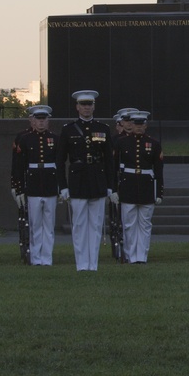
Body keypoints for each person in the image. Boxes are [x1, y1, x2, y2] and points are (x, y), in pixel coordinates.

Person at [55, 89, 115, 272]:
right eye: (83, 105)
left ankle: (93, 264)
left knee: (96, 225)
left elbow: (109, 161)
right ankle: (82, 264)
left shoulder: (103, 129)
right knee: (80, 225)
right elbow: (59, 161)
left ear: (94, 107)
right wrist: (63, 186)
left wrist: (111, 186)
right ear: (77, 107)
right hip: (78, 180)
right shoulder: (68, 130)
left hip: (97, 179)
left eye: (89, 104)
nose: (86, 108)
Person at [113, 110, 164, 263]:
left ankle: (142, 256)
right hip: (128, 185)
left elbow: (159, 170)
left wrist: (159, 192)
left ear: (146, 125)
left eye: (142, 124)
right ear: (131, 124)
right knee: (129, 224)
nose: (139, 127)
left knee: (145, 224)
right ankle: (130, 255)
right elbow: (114, 168)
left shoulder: (154, 144)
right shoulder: (121, 142)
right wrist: (114, 189)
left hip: (146, 186)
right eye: (136, 124)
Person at [11, 104, 59, 266]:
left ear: (48, 121)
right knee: (35, 224)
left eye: (43, 119)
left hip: (50, 184)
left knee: (49, 225)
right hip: (32, 185)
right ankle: (36, 257)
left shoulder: (55, 138)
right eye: (38, 119)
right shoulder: (25, 139)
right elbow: (18, 165)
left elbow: (59, 164)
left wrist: (60, 187)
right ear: (33, 120)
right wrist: (18, 188)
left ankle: (47, 257)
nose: (40, 123)